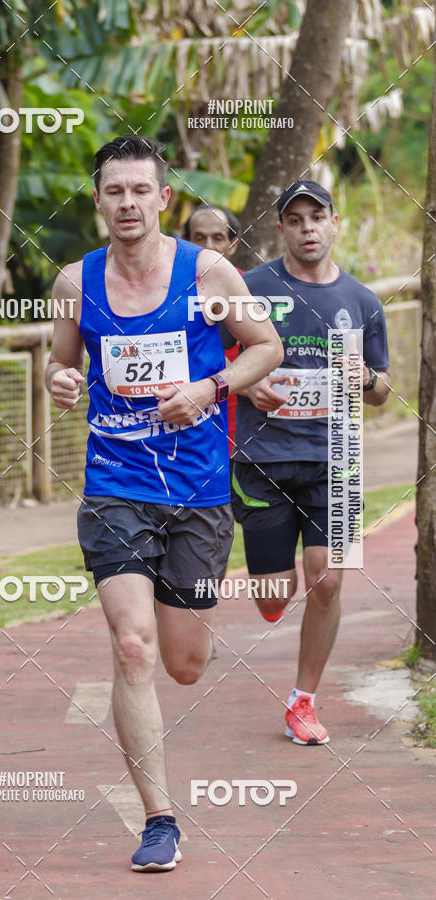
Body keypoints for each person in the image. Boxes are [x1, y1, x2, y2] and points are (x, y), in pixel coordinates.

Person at [45, 136, 283, 871]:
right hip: (115, 486)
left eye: (138, 191)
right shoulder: (73, 283)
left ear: (162, 198)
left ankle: (188, 634)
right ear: (98, 200)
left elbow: (265, 346)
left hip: (200, 490)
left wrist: (210, 389)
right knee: (132, 645)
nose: (126, 204)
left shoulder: (207, 271)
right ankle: (160, 820)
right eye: (112, 191)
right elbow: (60, 362)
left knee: (184, 661)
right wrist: (58, 382)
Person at [225, 179, 391, 746]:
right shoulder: (251, 287)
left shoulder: (363, 302)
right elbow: (215, 356)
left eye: (316, 217)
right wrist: (247, 388)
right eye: (295, 220)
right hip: (264, 459)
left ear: (335, 222)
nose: (307, 229)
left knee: (327, 582)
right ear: (281, 229)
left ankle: (303, 702)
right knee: (273, 598)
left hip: (334, 459)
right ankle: (271, 585)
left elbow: (382, 387)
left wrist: (364, 377)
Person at [182, 205, 242, 447]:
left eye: (218, 238)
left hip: (239, 427)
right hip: (184, 425)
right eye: (199, 238)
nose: (208, 246)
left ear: (233, 244)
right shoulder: (166, 292)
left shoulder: (249, 288)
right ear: (185, 242)